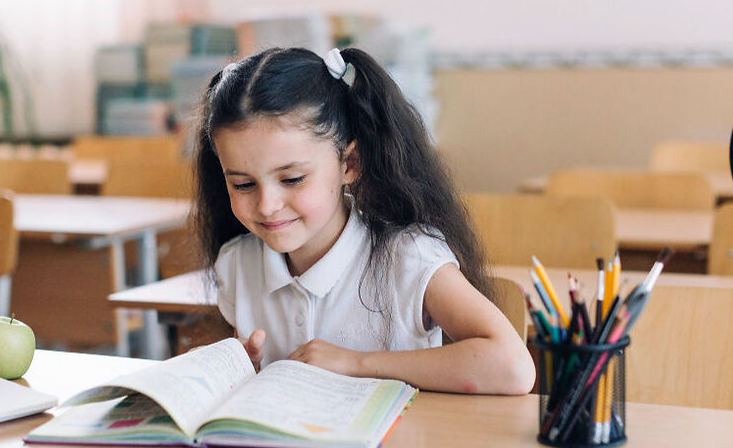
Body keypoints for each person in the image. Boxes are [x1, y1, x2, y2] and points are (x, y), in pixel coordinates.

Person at [193, 46, 534, 395]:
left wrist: (356, 363)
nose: (267, 205)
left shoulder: (408, 258)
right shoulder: (236, 264)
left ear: (349, 164)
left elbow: (513, 367)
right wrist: (239, 372)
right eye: (243, 184)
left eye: (292, 179)